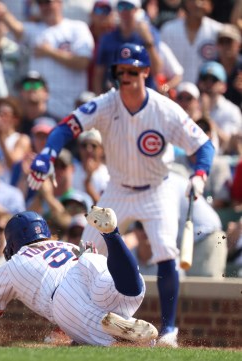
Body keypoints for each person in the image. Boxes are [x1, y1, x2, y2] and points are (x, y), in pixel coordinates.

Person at [26, 43, 215, 347]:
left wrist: (200, 174)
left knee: (166, 251)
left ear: (145, 72)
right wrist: (47, 154)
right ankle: (67, 324)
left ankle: (168, 332)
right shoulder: (106, 103)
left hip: (157, 188)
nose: (125, 76)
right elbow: (65, 127)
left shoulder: (164, 109)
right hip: (116, 188)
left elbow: (203, 145)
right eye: (120, 71)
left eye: (132, 71)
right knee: (86, 250)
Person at [0, 206, 158, 346]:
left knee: (108, 339)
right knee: (129, 293)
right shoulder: (67, 244)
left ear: (13, 242)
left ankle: (111, 329)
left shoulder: (12, 264)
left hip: (63, 296)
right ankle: (112, 235)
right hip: (89, 262)